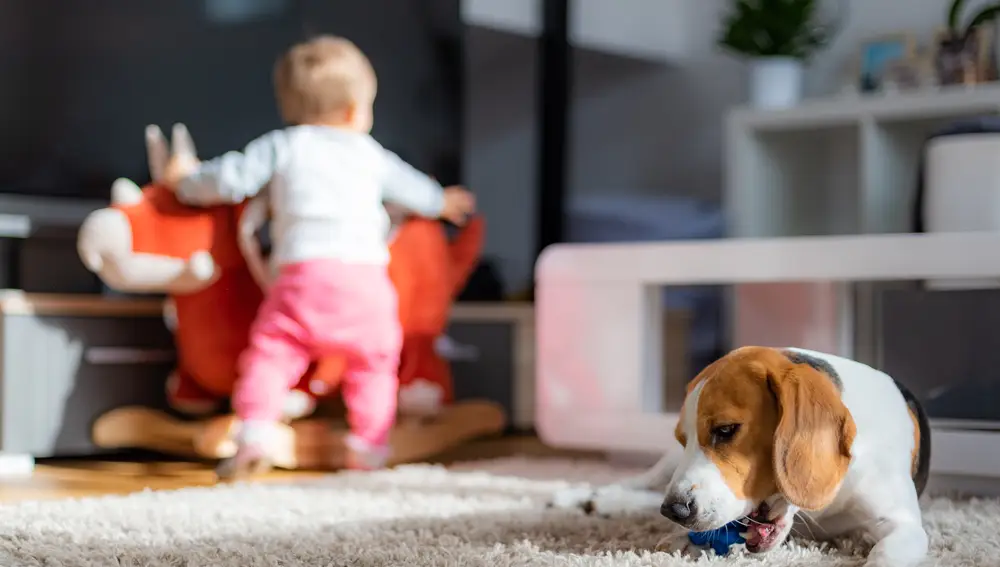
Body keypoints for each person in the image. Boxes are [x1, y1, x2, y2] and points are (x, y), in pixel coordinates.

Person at [161, 35, 476, 476]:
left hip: (305, 279)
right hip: (366, 285)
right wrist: (443, 202)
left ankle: (254, 433)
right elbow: (416, 192)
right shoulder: (371, 155)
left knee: (272, 352)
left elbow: (230, 179)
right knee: (374, 364)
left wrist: (186, 180)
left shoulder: (284, 145)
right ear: (353, 110)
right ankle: (368, 448)